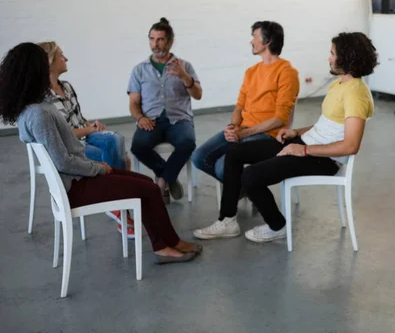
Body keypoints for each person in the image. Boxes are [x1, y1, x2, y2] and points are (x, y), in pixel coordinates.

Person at [0, 43, 200, 264]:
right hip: (77, 185)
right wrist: (98, 168)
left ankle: (170, 242)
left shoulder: (33, 108)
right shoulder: (39, 113)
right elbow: (63, 161)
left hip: (79, 178)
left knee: (148, 184)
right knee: (149, 188)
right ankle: (164, 247)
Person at [193, 32, 377, 243]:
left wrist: (303, 150)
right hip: (307, 145)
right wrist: (297, 133)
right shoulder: (340, 84)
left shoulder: (356, 94)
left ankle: (277, 226)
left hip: (323, 159)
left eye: (332, 54)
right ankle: (227, 220)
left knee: (250, 177)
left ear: (348, 57)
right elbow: (328, 125)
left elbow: (350, 145)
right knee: (235, 151)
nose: (329, 58)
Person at [39, 41, 134, 232]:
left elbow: (78, 119)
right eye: (61, 56)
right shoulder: (43, 98)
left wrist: (90, 125)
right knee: (114, 157)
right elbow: (62, 134)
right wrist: (89, 130)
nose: (66, 59)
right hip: (69, 144)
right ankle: (121, 207)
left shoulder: (66, 86)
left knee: (116, 141)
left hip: (83, 136)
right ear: (50, 62)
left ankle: (120, 202)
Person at [191, 21, 299, 182]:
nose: (251, 41)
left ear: (267, 41)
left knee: (223, 168)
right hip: (243, 130)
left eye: (255, 36)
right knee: (199, 157)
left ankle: (243, 186)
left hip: (267, 135)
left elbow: (280, 119)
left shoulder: (287, 72)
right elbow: (239, 106)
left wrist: (243, 133)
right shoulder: (251, 72)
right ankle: (244, 186)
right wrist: (233, 127)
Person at [128, 18, 202, 204]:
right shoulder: (139, 70)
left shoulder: (185, 66)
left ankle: (161, 182)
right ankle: (169, 176)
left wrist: (185, 77)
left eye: (160, 39)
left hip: (179, 120)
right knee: (138, 146)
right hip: (150, 120)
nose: (155, 44)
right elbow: (134, 102)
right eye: (152, 39)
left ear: (170, 41)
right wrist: (140, 118)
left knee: (187, 142)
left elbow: (198, 94)